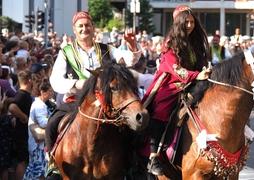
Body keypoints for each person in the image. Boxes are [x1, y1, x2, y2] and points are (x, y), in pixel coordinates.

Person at [45, 11, 141, 176]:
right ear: (74, 30)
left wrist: (132, 46)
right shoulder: (66, 52)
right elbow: (55, 81)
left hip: (105, 102)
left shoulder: (106, 49)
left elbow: (130, 60)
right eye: (80, 26)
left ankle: (133, 164)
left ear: (93, 27)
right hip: (76, 100)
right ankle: (53, 162)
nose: (84, 29)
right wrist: (77, 83)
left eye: (87, 25)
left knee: (130, 127)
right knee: (53, 123)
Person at [142, 5, 211, 176]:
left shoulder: (196, 42)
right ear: (178, 22)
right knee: (161, 109)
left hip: (194, 82)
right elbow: (175, 68)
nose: (189, 25)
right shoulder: (170, 43)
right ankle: (153, 156)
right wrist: (197, 75)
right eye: (186, 22)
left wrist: (206, 71)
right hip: (172, 84)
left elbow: (201, 62)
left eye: (192, 22)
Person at [24, 80, 53, 180]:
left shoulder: (41, 104)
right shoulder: (39, 105)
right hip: (37, 146)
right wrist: (54, 119)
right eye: (49, 91)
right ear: (42, 92)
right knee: (37, 172)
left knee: (34, 171)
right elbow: (43, 122)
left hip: (38, 144)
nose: (51, 93)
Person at [8, 70, 33, 180]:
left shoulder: (24, 94)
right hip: (22, 133)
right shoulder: (22, 95)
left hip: (23, 133)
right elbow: (12, 107)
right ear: (29, 81)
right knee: (22, 161)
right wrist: (24, 117)